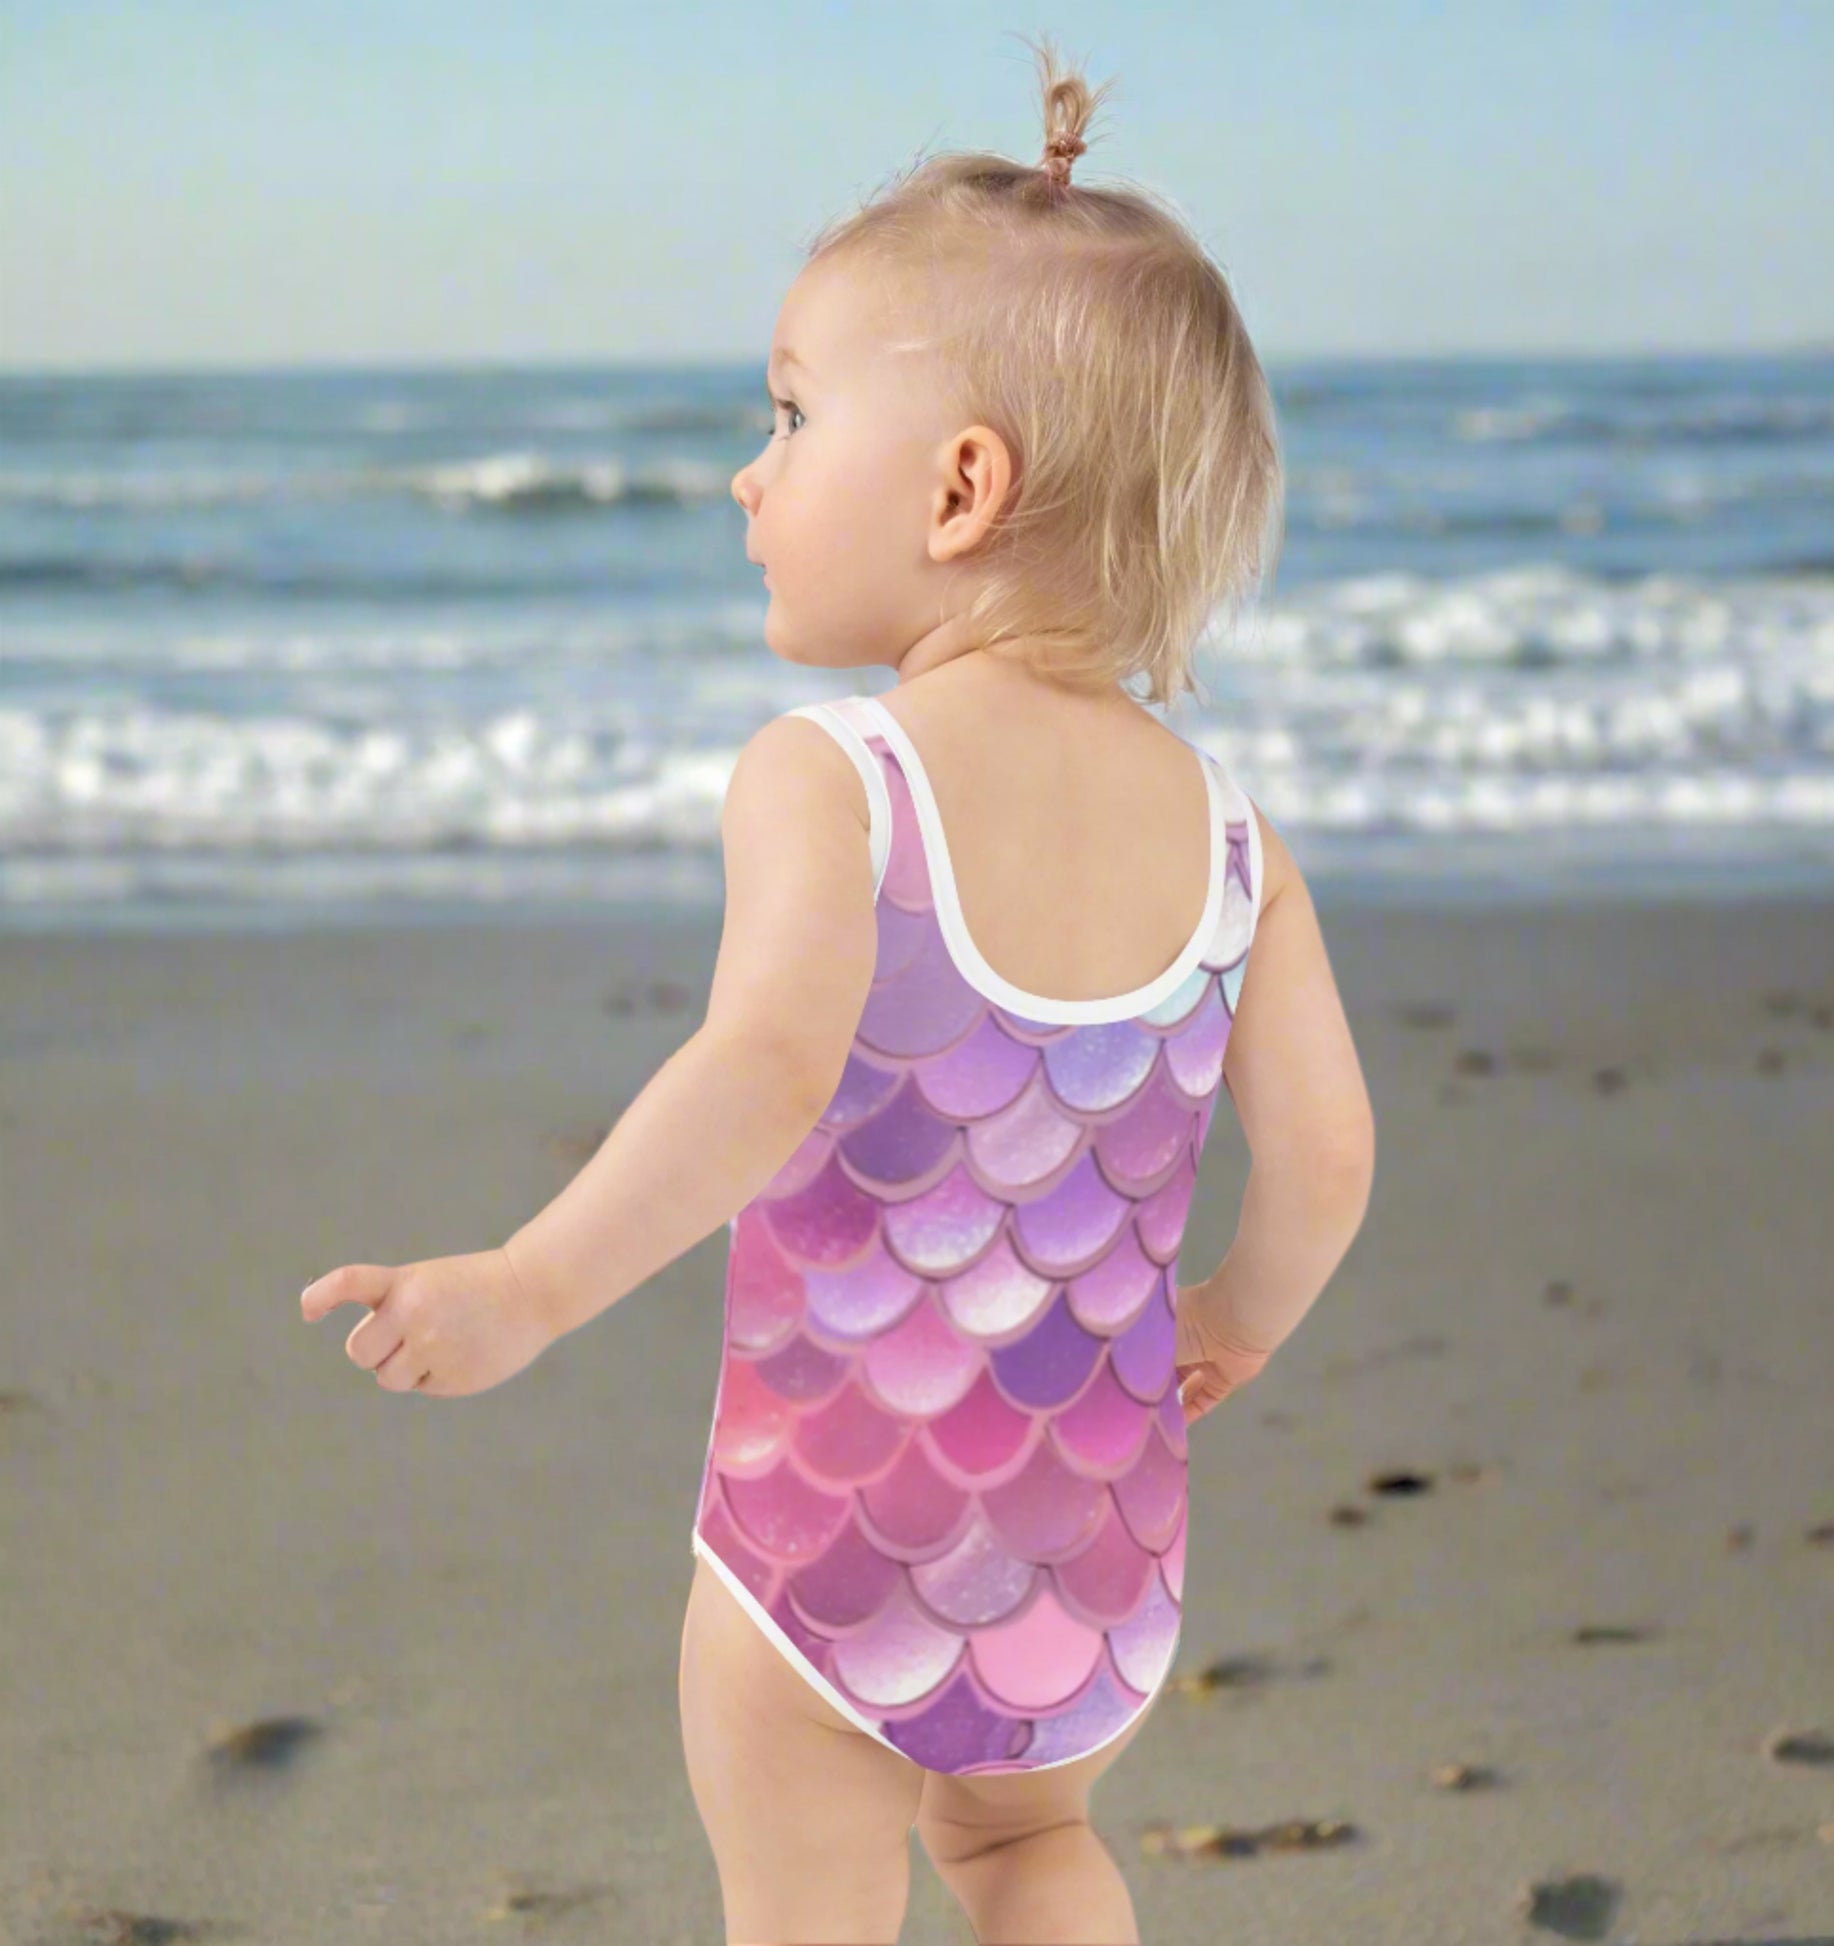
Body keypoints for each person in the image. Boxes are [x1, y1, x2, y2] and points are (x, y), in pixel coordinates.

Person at [300, 29, 1374, 1945]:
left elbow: (763, 1065)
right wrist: (1238, 1312)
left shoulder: (834, 779)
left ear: (959, 488)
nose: (745, 470)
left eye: (788, 418)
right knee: (1026, 1852)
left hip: (831, 1545)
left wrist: (528, 1282)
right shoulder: (1233, 836)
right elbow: (1332, 1153)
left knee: (801, 1892)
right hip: (1093, 1554)